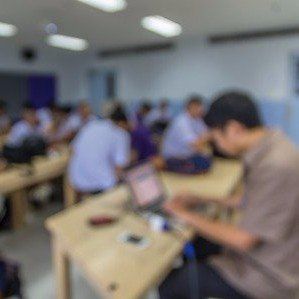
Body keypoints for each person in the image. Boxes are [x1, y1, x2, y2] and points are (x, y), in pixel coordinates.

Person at [159, 91, 299, 299]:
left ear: (234, 129)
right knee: (200, 243)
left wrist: (183, 214)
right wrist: (201, 199)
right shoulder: (270, 148)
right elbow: (249, 200)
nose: (215, 143)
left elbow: (243, 240)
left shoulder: (274, 164)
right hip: (268, 256)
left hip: (269, 276)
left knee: (177, 283)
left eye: (215, 136)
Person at [68, 107, 131, 199]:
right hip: (101, 186)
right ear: (122, 123)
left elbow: (72, 150)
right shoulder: (121, 134)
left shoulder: (90, 125)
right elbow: (120, 167)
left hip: (76, 180)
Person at [161, 95, 211, 173]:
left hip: (188, 155)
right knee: (202, 164)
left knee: (207, 160)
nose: (201, 110)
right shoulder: (181, 121)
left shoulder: (197, 119)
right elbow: (196, 143)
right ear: (191, 107)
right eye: (199, 107)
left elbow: (205, 136)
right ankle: (169, 166)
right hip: (174, 157)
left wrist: (206, 138)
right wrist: (209, 135)